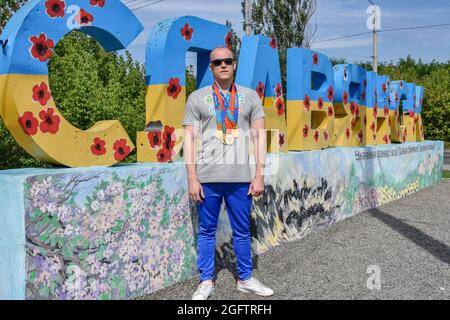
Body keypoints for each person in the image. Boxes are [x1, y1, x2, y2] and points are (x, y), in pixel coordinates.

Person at [183, 46, 274, 300]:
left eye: (228, 61)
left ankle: (245, 278)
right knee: (207, 231)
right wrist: (192, 178)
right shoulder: (197, 98)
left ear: (234, 65)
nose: (223, 65)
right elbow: (189, 140)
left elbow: (259, 138)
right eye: (217, 62)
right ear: (210, 67)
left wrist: (259, 175)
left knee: (243, 230)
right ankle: (205, 281)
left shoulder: (250, 97)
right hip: (207, 178)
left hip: (240, 178)